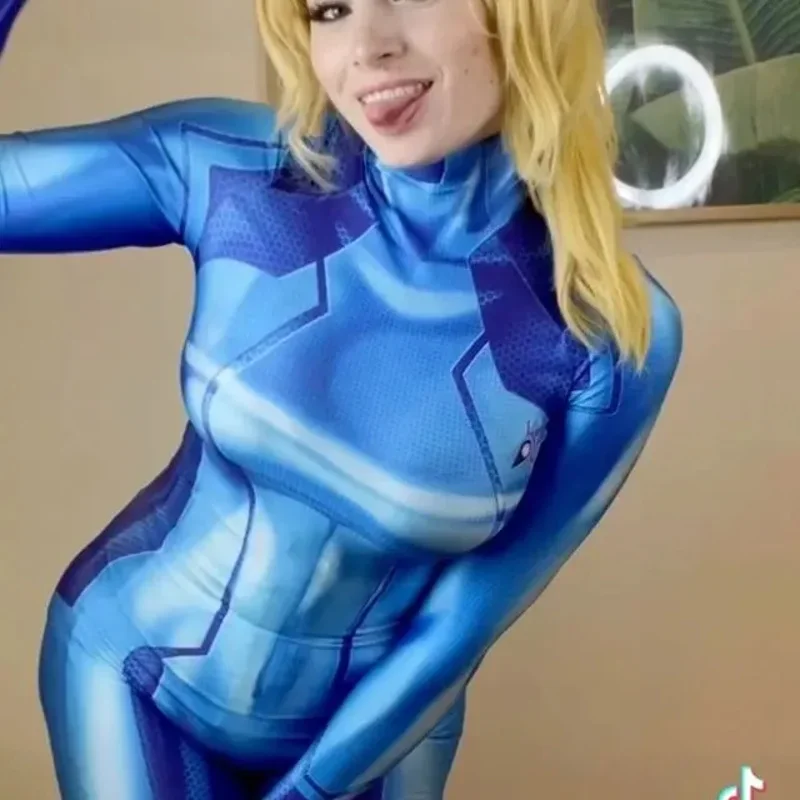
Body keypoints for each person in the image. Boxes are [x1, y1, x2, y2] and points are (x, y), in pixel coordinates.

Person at [1, 0, 683, 797]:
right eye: (329, 8)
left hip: (383, 740)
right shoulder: (235, 171)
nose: (367, 47)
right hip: (137, 681)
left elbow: (461, 626)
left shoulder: (604, 329)